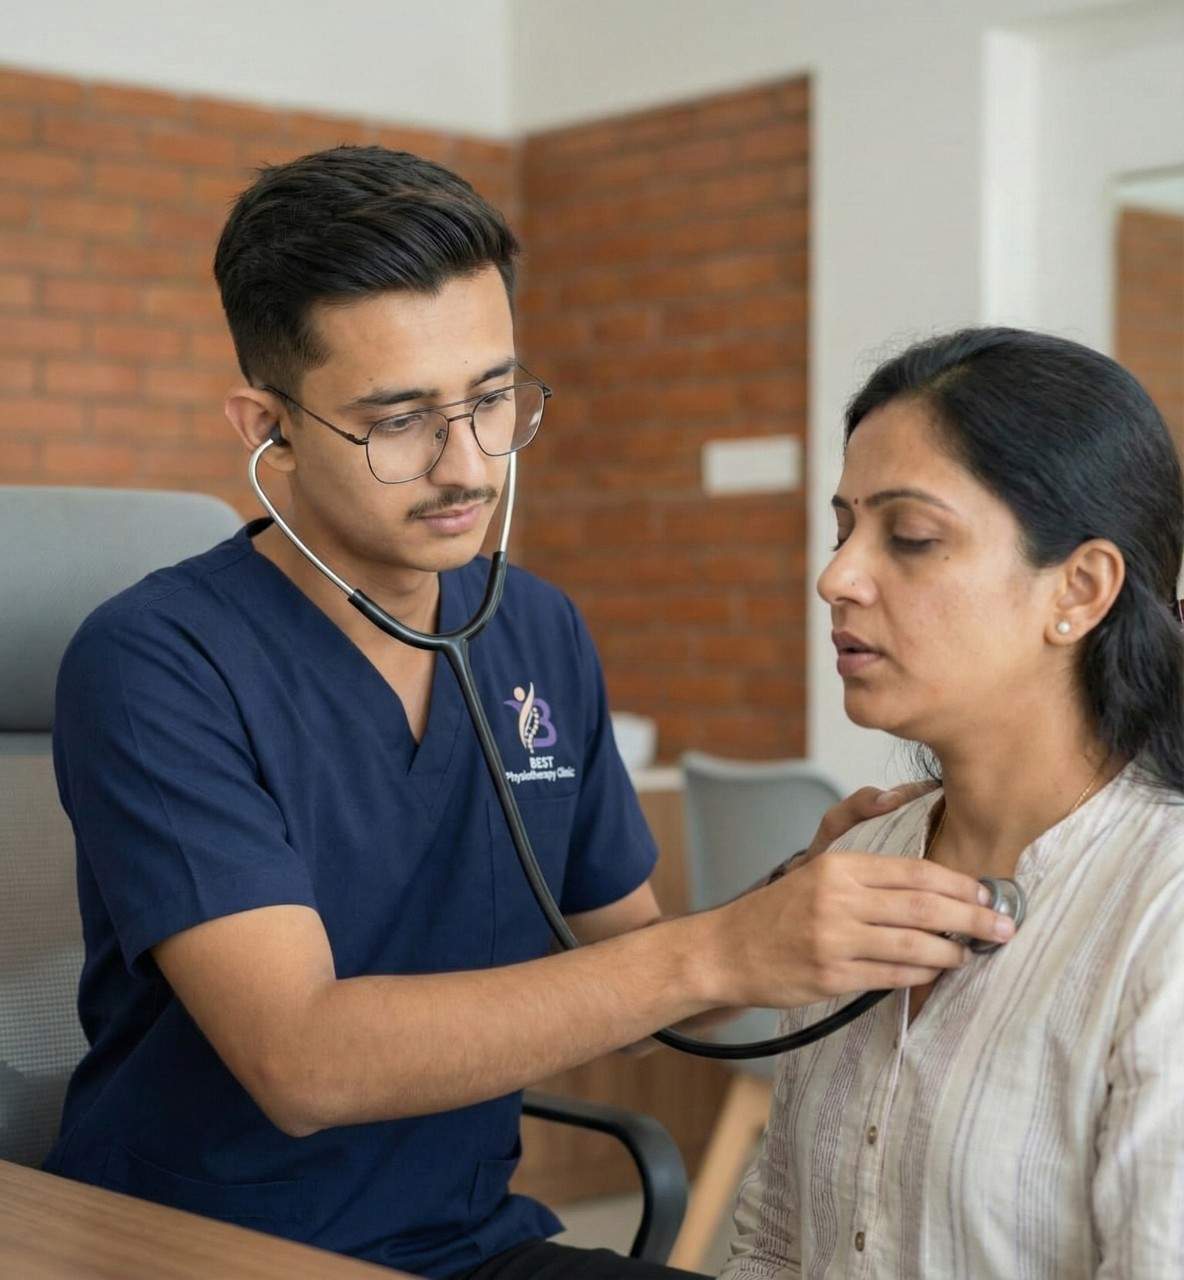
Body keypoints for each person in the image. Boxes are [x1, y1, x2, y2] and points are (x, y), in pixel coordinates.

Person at [44, 148, 1012, 1280]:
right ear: (269, 423)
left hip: (466, 1246)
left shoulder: (534, 630)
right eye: (397, 419)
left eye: (493, 398)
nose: (467, 464)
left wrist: (788, 911)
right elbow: (301, 1061)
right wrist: (717, 951)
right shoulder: (156, 660)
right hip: (185, 1251)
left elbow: (638, 975)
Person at [721, 326, 1184, 1279]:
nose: (836, 578)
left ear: (1081, 589)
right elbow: (773, 1246)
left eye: (913, 537)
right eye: (843, 528)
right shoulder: (853, 868)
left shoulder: (1162, 910)